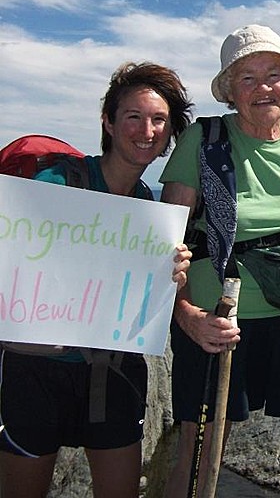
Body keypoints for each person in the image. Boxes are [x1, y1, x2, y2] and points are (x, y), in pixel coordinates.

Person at [161, 24, 280, 498]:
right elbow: (163, 241)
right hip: (219, 318)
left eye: (273, 74)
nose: (263, 87)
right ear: (229, 91)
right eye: (247, 78)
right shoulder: (204, 142)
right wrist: (187, 316)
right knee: (201, 454)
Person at [0, 61, 194, 498]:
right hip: (37, 372)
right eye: (133, 116)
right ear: (108, 122)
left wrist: (169, 277)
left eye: (159, 120)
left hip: (115, 372)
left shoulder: (149, 208)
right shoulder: (57, 182)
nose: (147, 130)